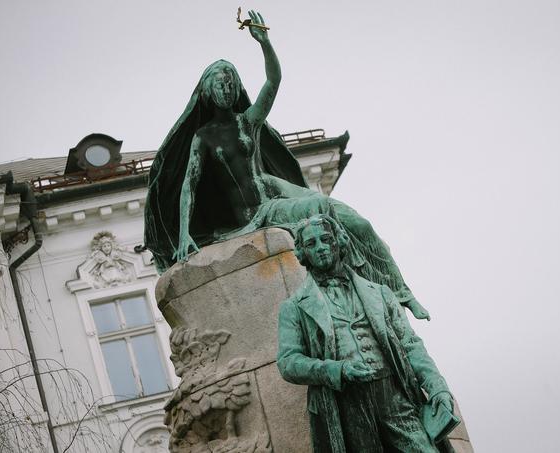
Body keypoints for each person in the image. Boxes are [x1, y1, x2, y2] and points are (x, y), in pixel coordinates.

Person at [143, 10, 429, 319]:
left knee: (354, 220)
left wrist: (264, 43)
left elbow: (273, 81)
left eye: (230, 84)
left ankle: (402, 291)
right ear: (207, 92)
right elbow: (189, 186)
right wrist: (185, 234)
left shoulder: (247, 122)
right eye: (219, 85)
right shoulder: (203, 137)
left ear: (237, 87)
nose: (226, 90)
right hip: (258, 211)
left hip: (273, 189)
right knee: (328, 217)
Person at [277, 215, 455, 453]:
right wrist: (336, 370)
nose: (320, 248)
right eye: (311, 244)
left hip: (393, 395)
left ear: (339, 243)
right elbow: (288, 362)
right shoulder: (294, 307)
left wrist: (437, 387)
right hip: (345, 403)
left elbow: (411, 345)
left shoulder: (380, 293)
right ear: (303, 253)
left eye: (326, 239)